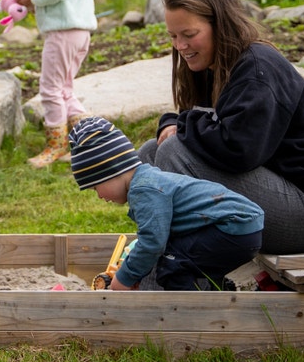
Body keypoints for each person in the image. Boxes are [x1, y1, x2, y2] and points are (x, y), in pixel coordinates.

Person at [142, 0, 304, 254]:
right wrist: (175, 122)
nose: (180, 46)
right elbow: (201, 123)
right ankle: (159, 252)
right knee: (150, 153)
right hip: (275, 195)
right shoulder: (211, 67)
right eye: (173, 36)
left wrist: (181, 126)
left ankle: (170, 258)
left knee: (173, 152)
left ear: (221, 25)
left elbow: (239, 151)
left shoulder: (256, 70)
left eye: (189, 35)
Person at [69, 116, 264, 291]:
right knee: (184, 257)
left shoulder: (143, 189)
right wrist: (135, 271)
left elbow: (152, 243)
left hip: (232, 226)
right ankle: (216, 293)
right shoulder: (148, 181)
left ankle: (183, 313)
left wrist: (124, 278)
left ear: (111, 171)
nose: (99, 196)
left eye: (95, 187)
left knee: (172, 266)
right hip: (239, 227)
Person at [10, 0, 99, 167]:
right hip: (77, 32)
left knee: (50, 90)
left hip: (63, 34)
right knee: (65, 90)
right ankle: (88, 141)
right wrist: (36, 3)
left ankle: (57, 145)